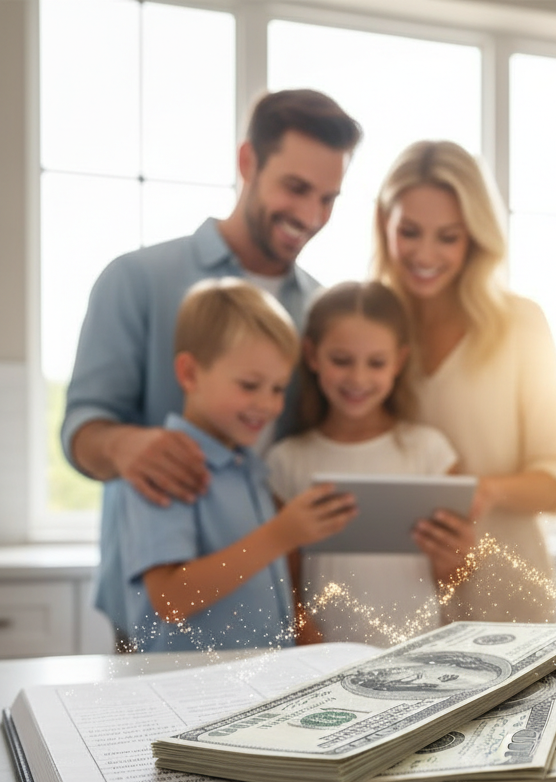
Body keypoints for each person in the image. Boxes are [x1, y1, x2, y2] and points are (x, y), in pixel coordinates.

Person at [60, 89, 362, 643]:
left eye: (329, 198)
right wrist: (127, 447)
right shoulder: (137, 280)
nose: (311, 215)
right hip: (164, 616)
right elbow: (84, 426)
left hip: (268, 610)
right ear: (248, 162)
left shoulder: (319, 310)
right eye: (296, 188)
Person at [372, 140, 556, 622]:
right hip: (402, 599)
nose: (425, 253)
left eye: (448, 236)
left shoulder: (522, 323)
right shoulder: (371, 328)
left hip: (509, 594)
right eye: (410, 232)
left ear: (476, 237)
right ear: (385, 226)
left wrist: (483, 490)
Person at [116, 279, 355, 653]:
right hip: (188, 693)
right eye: (249, 385)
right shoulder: (164, 468)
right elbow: (170, 598)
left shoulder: (249, 469)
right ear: (190, 374)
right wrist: (282, 534)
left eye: (278, 388)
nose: (267, 404)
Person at [266, 281, 469, 645]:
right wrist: (314, 648)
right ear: (312, 355)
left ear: (399, 361)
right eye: (341, 360)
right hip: (323, 660)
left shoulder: (431, 452)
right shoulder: (287, 462)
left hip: (418, 652)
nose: (358, 378)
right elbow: (285, 587)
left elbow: (454, 580)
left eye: (376, 363)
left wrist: (452, 563)